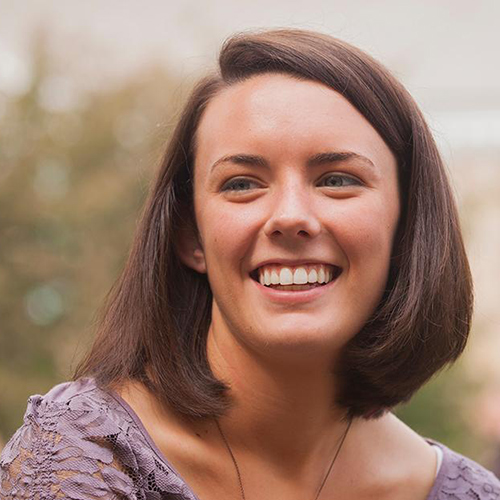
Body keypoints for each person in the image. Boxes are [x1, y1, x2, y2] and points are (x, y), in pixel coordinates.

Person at [0, 28, 499, 500]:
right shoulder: (76, 463)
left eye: (337, 179)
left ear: (408, 225)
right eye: (241, 183)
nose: (290, 217)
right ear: (190, 235)